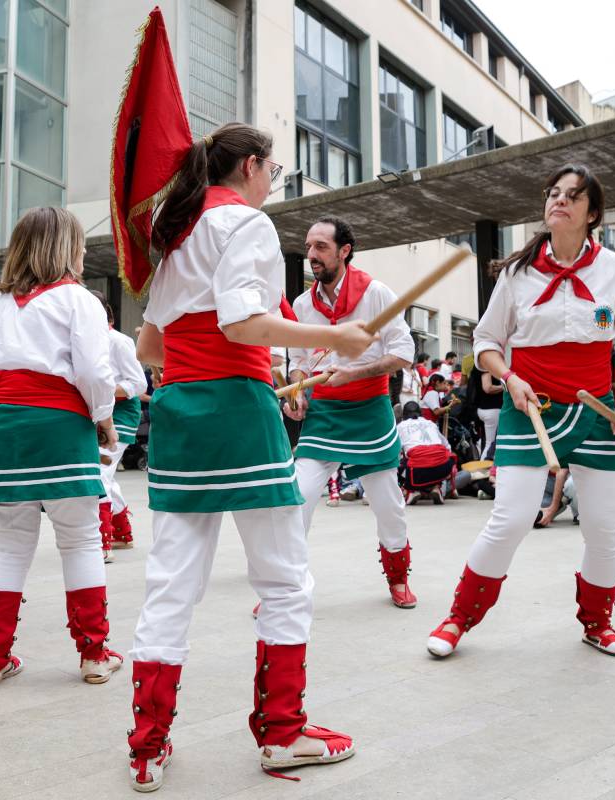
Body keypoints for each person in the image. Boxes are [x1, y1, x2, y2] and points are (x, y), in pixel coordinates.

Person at [130, 123, 366, 791]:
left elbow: (151, 347)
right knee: (285, 579)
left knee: (170, 584)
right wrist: (334, 338)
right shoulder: (245, 224)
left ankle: (146, 747)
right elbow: (238, 324)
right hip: (237, 409)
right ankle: (283, 732)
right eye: (275, 170)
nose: (274, 182)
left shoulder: (175, 232)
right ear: (253, 166)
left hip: (179, 414)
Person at [425, 163, 615, 660]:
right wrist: (510, 377)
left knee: (604, 524)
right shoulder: (517, 274)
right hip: (530, 407)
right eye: (553, 194)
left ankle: (598, 622)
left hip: (597, 412)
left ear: (593, 213)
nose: (559, 201)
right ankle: (458, 617)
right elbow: (486, 342)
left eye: (572, 196)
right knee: (510, 519)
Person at [0, 208, 122, 690]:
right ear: (67, 247)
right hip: (57, 423)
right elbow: (94, 372)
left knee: (9, 547)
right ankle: (94, 654)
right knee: (80, 540)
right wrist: (102, 421)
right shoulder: (79, 300)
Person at [283, 216, 416, 609]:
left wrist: (354, 373)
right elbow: (299, 361)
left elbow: (403, 354)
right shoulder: (302, 304)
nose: (312, 255)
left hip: (370, 410)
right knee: (298, 496)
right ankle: (287, 585)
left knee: (387, 502)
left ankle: (398, 578)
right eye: (309, 247)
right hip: (324, 412)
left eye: (321, 247)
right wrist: (296, 392)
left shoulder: (376, 293)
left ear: (345, 251)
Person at [90, 290, 148, 558]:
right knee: (106, 476)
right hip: (94, 415)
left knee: (99, 474)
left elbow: (138, 384)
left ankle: (100, 544)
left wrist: (103, 390)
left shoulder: (119, 341)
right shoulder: (83, 340)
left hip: (121, 415)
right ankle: (122, 533)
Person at [396, 400, 455, 505]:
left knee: (399, 462)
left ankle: (411, 490)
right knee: (438, 458)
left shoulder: (401, 426)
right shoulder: (430, 423)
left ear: (403, 415)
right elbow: (447, 447)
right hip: (443, 467)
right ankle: (436, 487)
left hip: (417, 469)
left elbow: (395, 452)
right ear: (421, 413)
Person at [474, 367, 503, 458]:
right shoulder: (485, 367)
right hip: (491, 409)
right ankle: (483, 468)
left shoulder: (479, 367)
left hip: (485, 409)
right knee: (490, 444)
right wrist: (504, 386)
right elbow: (488, 388)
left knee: (489, 443)